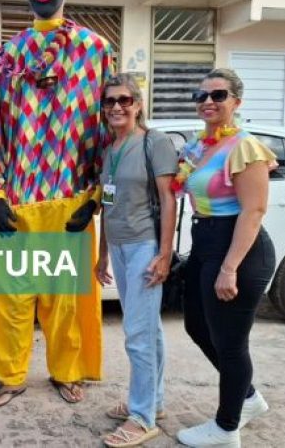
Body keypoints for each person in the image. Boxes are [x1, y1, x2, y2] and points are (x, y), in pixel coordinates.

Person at [0, 0, 112, 407]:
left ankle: (66, 372)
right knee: (12, 299)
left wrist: (93, 196)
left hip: (69, 198)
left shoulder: (95, 51)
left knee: (64, 299)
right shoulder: (9, 55)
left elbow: (106, 125)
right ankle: (10, 376)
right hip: (17, 198)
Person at [174, 68, 277, 448]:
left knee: (231, 342)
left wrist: (230, 268)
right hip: (205, 242)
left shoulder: (244, 147)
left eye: (218, 95)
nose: (207, 102)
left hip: (238, 247)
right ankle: (248, 398)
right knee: (197, 327)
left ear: (236, 102)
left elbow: (254, 210)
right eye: (200, 96)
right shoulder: (199, 147)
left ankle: (226, 427)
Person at [94, 74, 177, 447]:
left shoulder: (154, 142)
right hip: (121, 246)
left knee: (139, 336)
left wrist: (164, 253)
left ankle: (141, 417)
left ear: (138, 104)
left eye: (124, 100)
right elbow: (108, 205)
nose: (116, 107)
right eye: (109, 101)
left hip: (145, 246)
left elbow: (168, 199)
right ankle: (153, 402)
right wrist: (101, 255)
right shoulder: (111, 148)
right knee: (148, 330)